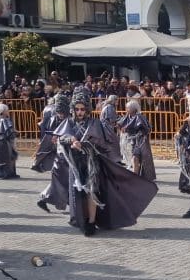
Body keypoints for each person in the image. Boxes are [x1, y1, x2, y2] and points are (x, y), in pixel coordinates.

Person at [54, 88, 158, 236]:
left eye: (82, 109)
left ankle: (91, 222)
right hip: (75, 164)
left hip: (92, 162)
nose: (79, 112)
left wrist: (86, 145)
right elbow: (62, 137)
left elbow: (102, 144)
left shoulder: (94, 123)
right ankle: (81, 219)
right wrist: (72, 139)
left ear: (87, 109)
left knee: (91, 191)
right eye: (77, 109)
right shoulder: (69, 122)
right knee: (78, 193)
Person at [36, 93, 70, 213]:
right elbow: (51, 136)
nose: (61, 114)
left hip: (65, 152)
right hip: (61, 154)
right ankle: (44, 199)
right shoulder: (55, 118)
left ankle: (69, 202)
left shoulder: (67, 118)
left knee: (63, 179)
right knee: (61, 179)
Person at [118, 99, 157, 182]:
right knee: (135, 158)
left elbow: (146, 128)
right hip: (132, 141)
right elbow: (121, 124)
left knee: (145, 159)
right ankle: (135, 175)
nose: (126, 109)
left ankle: (147, 176)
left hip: (141, 141)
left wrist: (138, 132)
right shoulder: (127, 117)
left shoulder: (140, 117)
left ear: (133, 109)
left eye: (128, 108)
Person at [98, 94, 124, 165]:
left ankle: (115, 160)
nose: (118, 102)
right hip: (107, 127)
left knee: (112, 143)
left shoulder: (108, 106)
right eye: (116, 100)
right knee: (114, 143)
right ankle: (115, 160)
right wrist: (121, 119)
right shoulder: (109, 107)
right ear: (113, 100)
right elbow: (112, 119)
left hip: (107, 127)